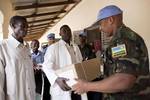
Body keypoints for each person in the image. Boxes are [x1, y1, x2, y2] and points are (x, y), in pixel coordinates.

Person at [72, 5, 150, 100]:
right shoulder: (121, 38)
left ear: (110, 20)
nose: (100, 28)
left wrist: (86, 86)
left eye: (101, 23)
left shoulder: (123, 40)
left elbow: (124, 79)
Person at [42, 25, 83, 100]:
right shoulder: (53, 48)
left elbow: (80, 62)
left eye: (68, 30)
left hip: (76, 85)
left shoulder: (75, 46)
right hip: (61, 87)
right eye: (64, 31)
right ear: (60, 34)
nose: (67, 32)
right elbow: (46, 66)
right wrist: (56, 79)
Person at [0, 15, 35, 100]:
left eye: (27, 27)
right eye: (23, 26)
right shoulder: (3, 47)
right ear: (13, 26)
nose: (26, 29)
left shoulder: (26, 48)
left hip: (30, 96)